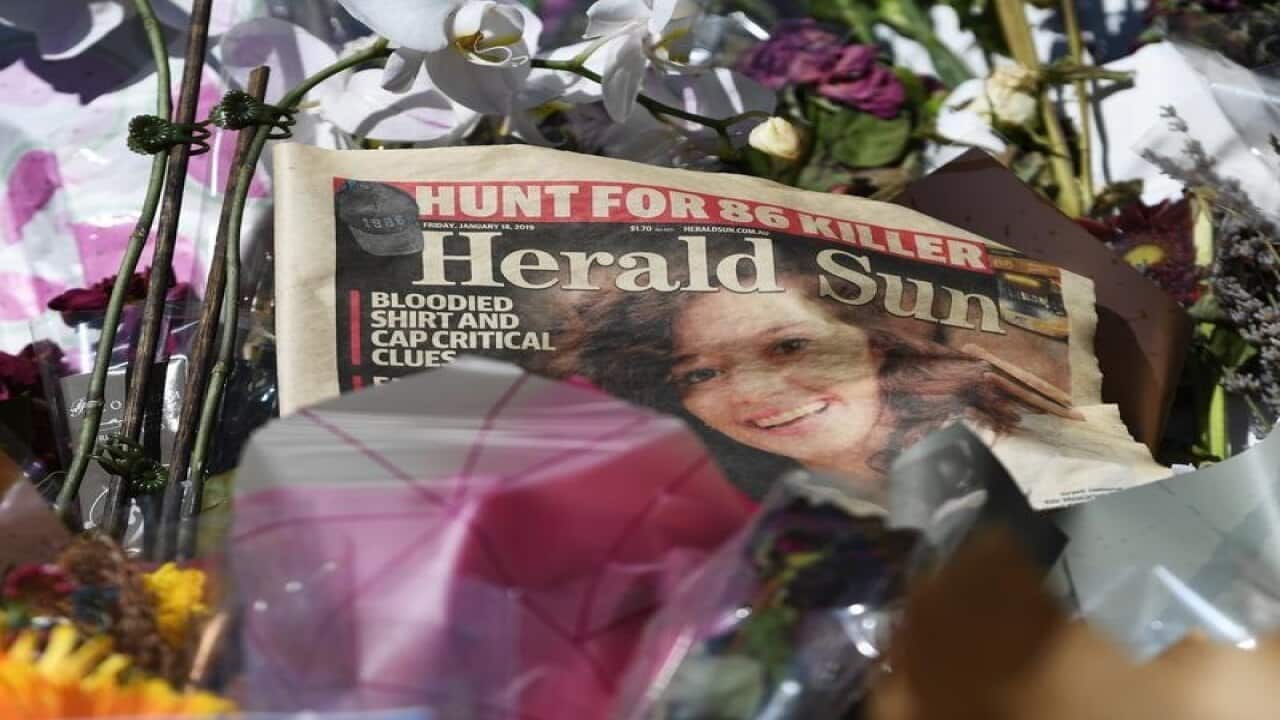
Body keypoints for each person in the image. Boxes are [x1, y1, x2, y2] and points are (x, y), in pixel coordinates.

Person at [559, 241, 1031, 501]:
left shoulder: (1018, 448)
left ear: (875, 338)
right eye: (700, 375)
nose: (754, 392)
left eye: (789, 346)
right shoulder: (767, 523)